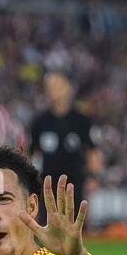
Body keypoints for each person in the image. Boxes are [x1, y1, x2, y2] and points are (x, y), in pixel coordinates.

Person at [29, 70, 99, 220]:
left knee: (74, 228)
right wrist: (28, 180)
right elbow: (31, 153)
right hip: (47, 185)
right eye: (49, 86)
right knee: (48, 228)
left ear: (68, 88)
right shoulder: (39, 121)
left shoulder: (81, 120)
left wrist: (93, 177)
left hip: (74, 185)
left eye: (57, 84)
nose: (52, 89)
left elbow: (92, 151)